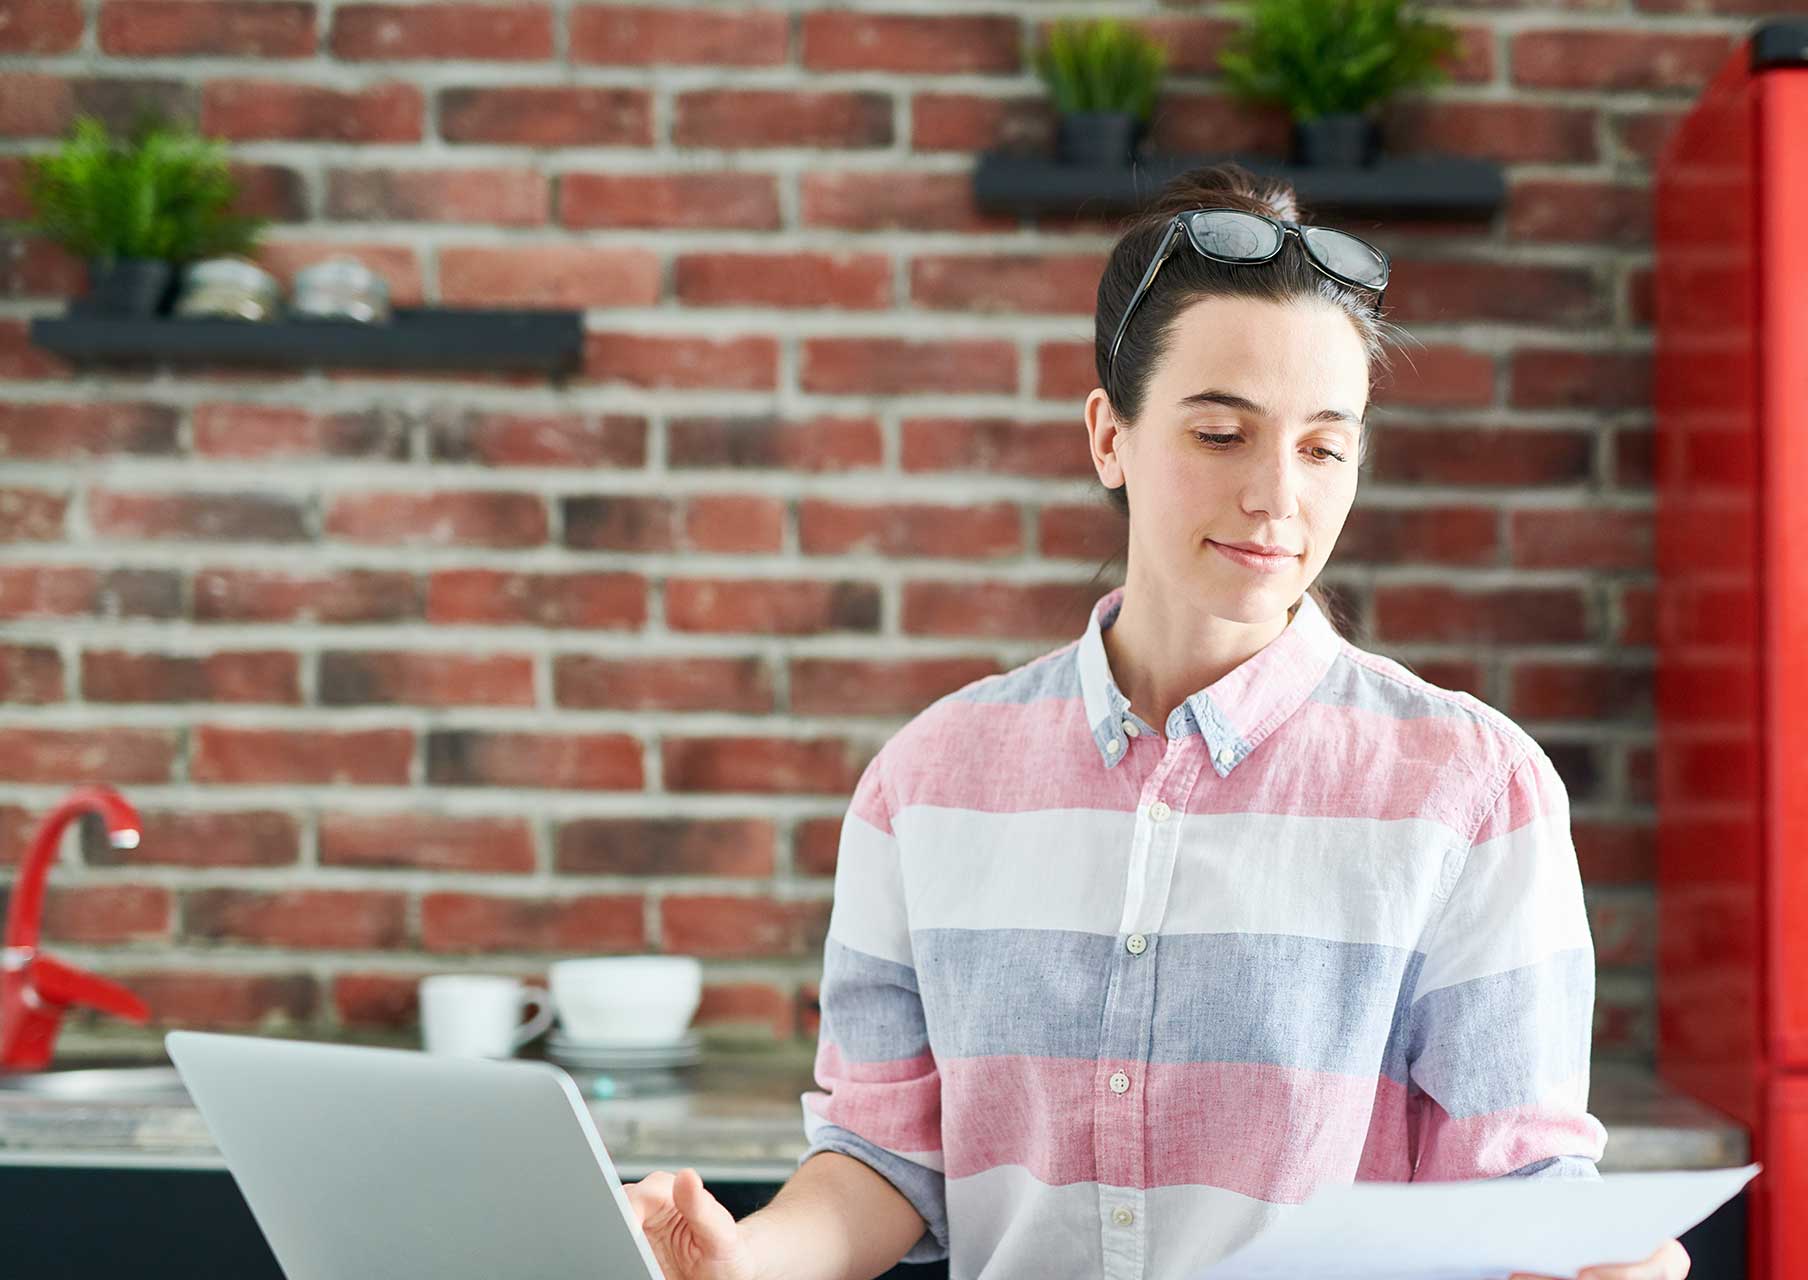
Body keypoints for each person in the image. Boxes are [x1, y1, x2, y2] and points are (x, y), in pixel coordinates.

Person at [623, 162, 1690, 1280]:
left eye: (1325, 445)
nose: (1279, 494)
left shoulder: (1472, 786)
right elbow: (883, 1157)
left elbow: (1514, 1184)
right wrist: (742, 1259)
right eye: (1222, 434)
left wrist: (1592, 1259)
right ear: (1108, 437)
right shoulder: (928, 782)